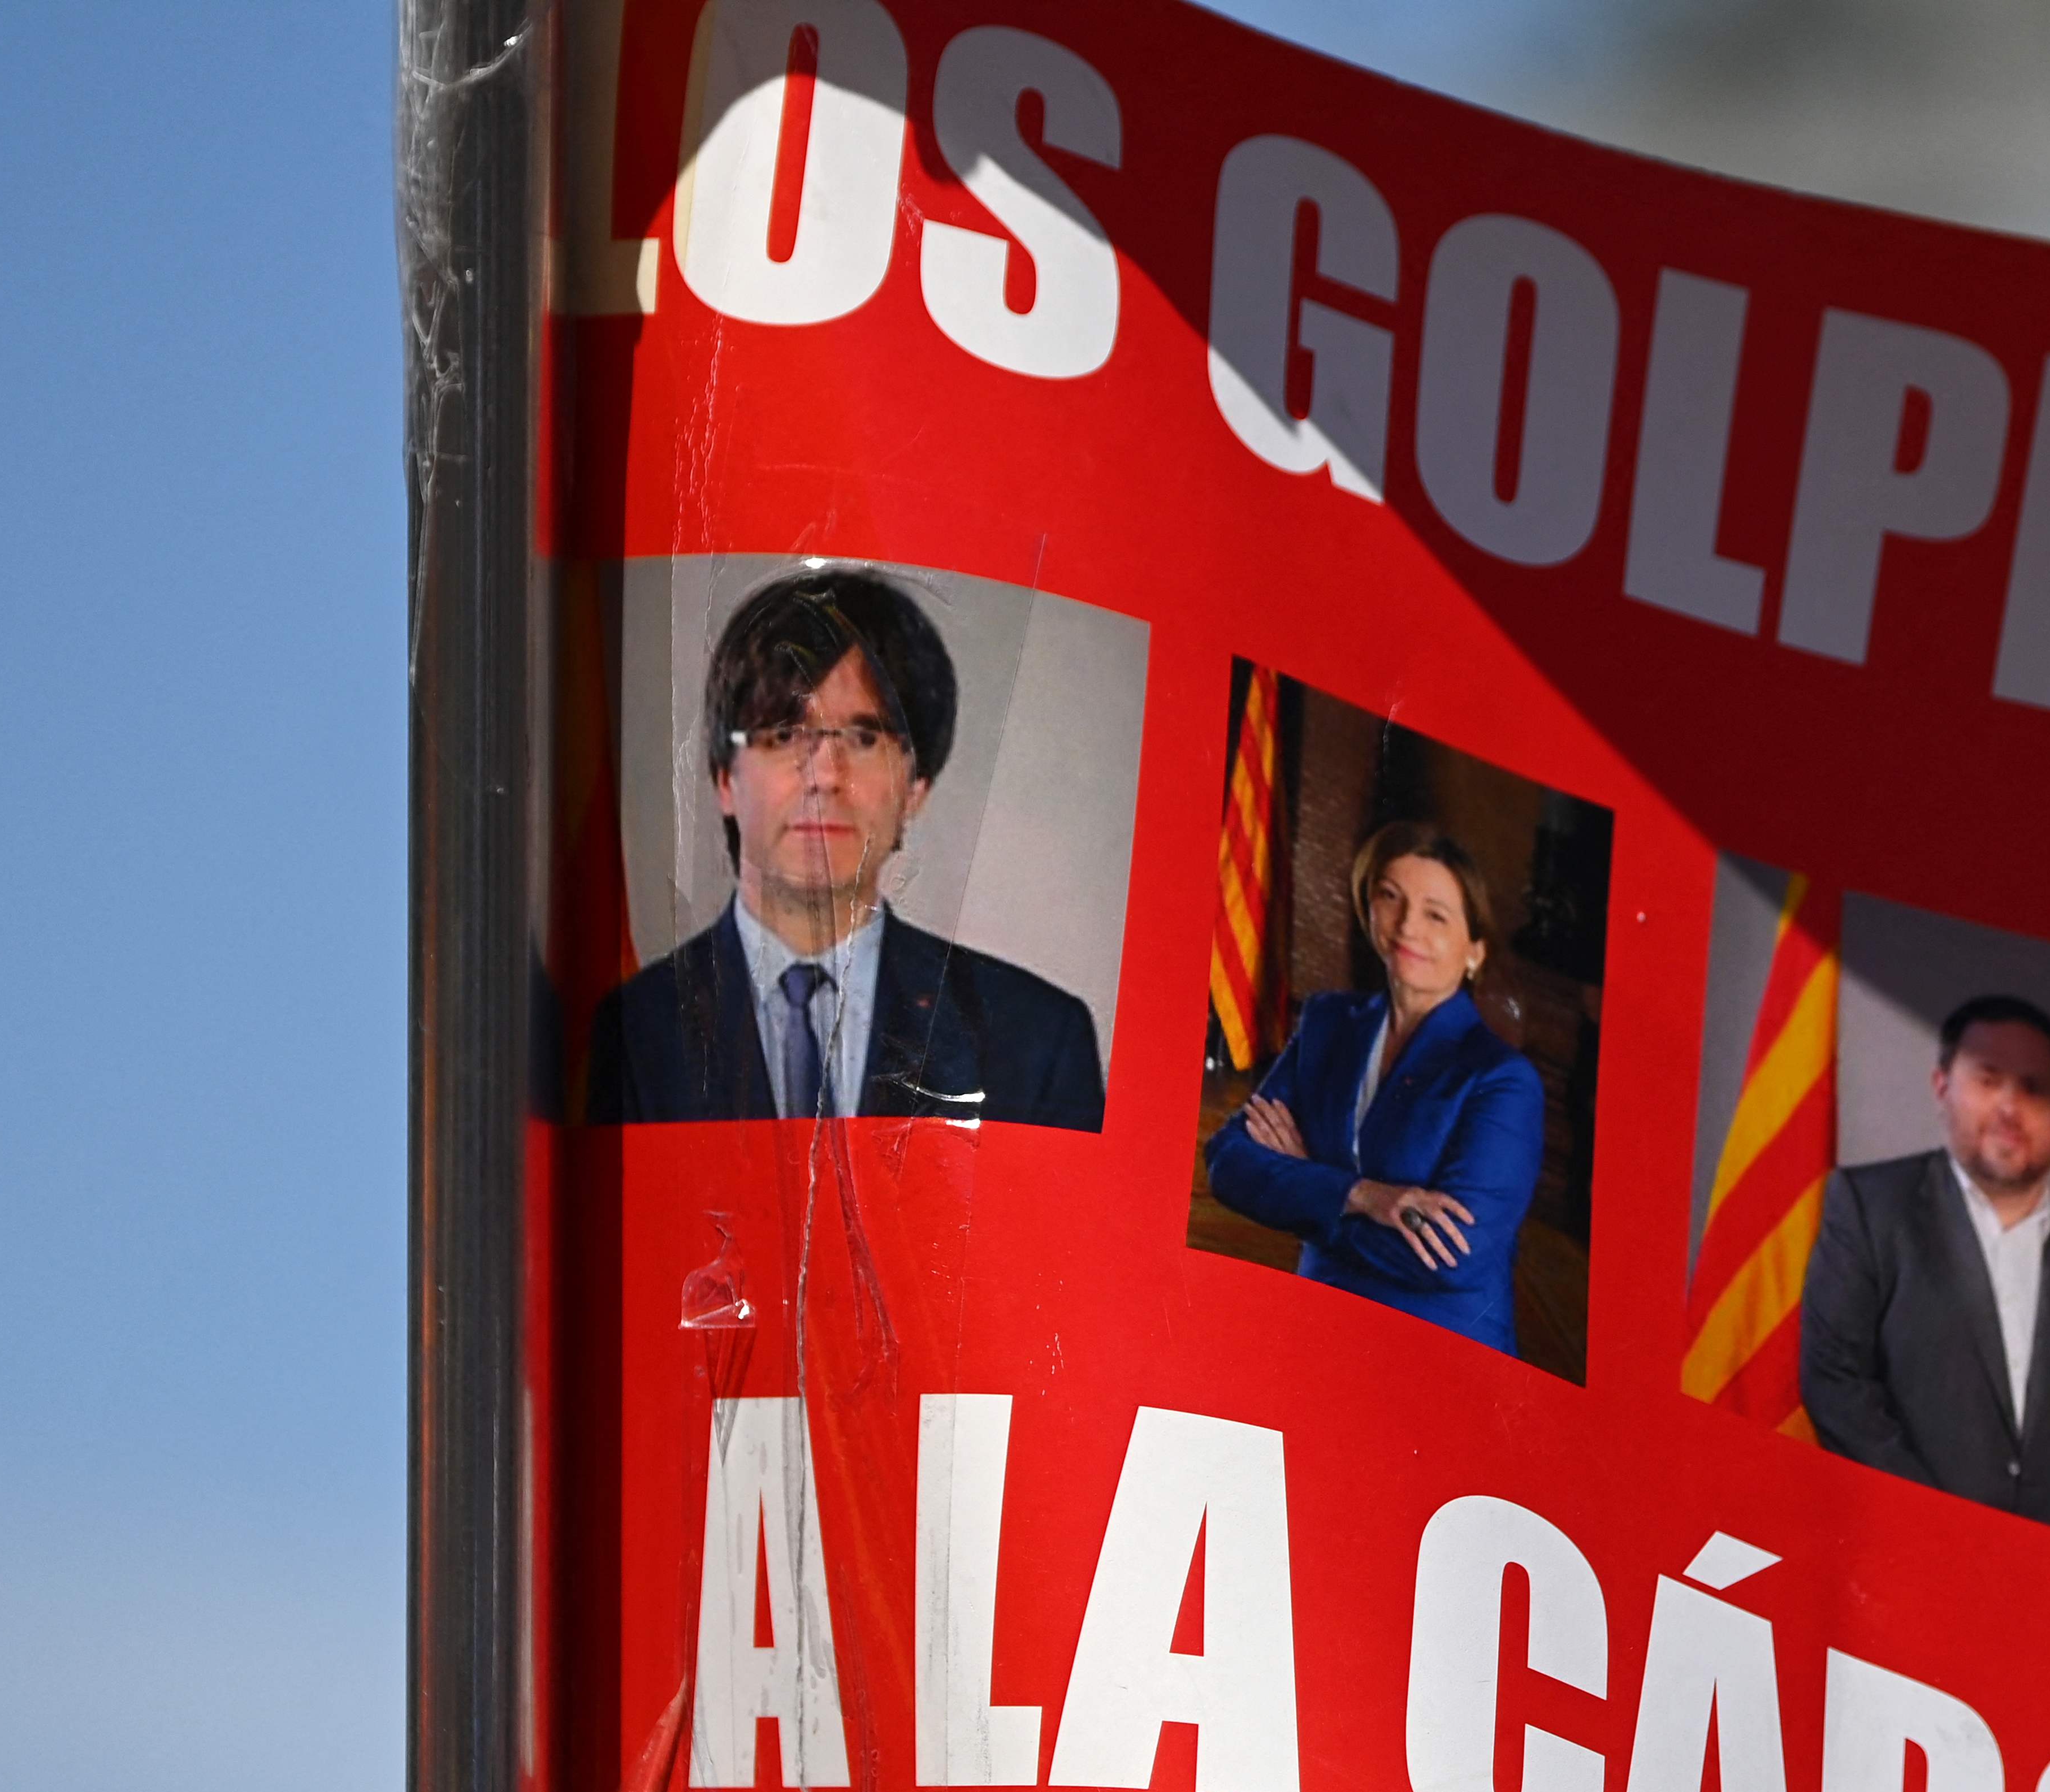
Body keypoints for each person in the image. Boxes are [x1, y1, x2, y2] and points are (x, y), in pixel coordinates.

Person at [588, 568, 1105, 1130]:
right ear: (724, 779)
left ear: (916, 788)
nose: (826, 775)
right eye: (785, 734)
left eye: (864, 738)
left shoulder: (1039, 1044)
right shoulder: (631, 1036)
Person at [1798, 995, 2050, 1553]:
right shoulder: (1868, 1209)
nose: (2011, 1106)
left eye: (2034, 1087)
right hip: (1892, 1568)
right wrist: (1937, 1544)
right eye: (1988, 1079)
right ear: (1941, 1086)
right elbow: (1835, 1385)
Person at [1203, 821, 1546, 1355]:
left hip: (1440, 1354)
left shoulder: (1501, 1078)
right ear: (1370, 910)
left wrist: (1310, 1188)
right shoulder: (1328, 1023)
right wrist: (1362, 1196)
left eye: (1436, 915)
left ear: (1475, 949)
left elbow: (1453, 1257)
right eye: (1391, 897)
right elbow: (1228, 1163)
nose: (1408, 925)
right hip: (1316, 1327)